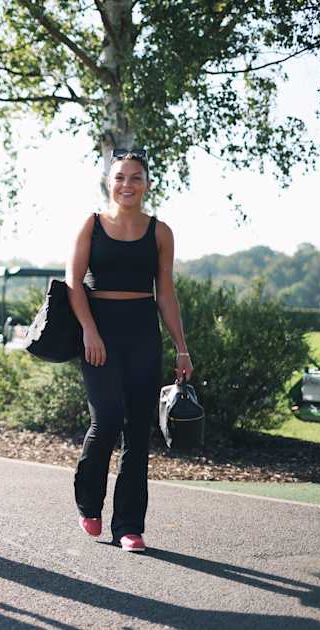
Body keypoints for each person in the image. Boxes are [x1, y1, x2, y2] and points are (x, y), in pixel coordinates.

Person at [67, 149, 194, 552]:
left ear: (147, 184)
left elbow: (166, 294)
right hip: (98, 328)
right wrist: (89, 330)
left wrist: (181, 347)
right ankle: (89, 502)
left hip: (142, 329)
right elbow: (73, 284)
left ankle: (128, 526)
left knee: (138, 431)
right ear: (110, 182)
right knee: (106, 418)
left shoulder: (161, 232)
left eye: (135, 178)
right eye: (120, 177)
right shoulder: (91, 225)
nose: (127, 185)